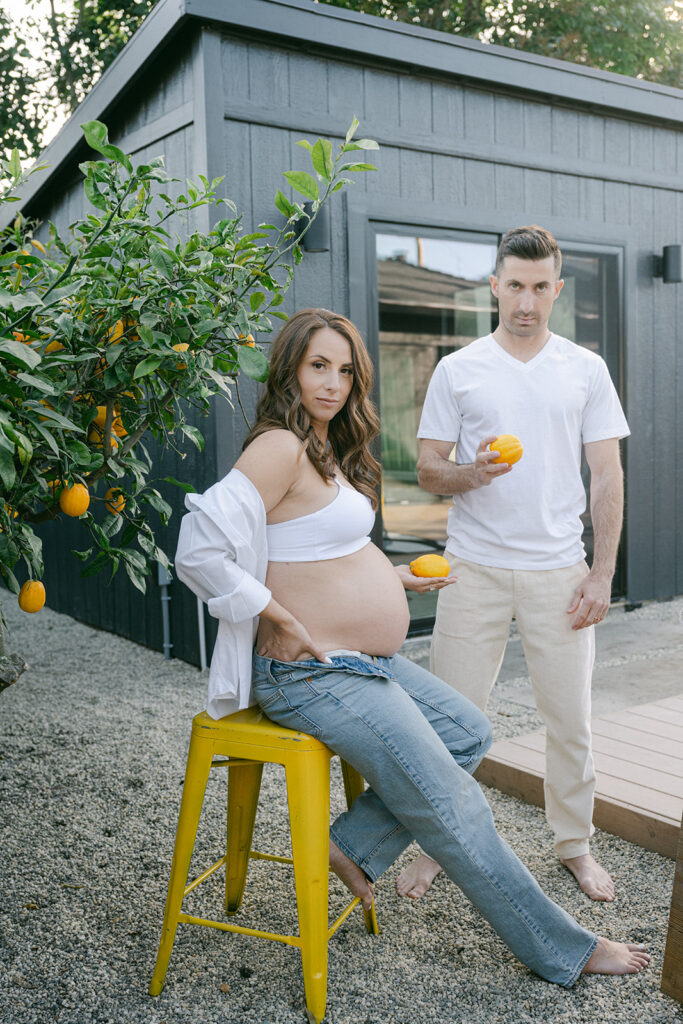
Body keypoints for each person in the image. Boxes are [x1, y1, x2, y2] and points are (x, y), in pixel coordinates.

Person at [175, 307, 648, 986]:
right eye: (317, 367)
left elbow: (313, 552)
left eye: (344, 371)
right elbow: (199, 547)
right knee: (455, 802)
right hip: (308, 673)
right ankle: (564, 948)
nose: (332, 384)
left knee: (467, 730)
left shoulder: (323, 447)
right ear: (289, 369)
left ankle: (351, 846)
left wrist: (385, 579)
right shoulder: (279, 445)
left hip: (359, 661)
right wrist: (271, 611)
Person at [397, 225, 629, 905]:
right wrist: (470, 474)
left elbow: (606, 476)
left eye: (538, 288)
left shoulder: (584, 370)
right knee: (453, 721)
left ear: (555, 290)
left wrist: (601, 573)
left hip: (560, 570)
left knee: (570, 720)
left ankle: (573, 847)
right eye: (514, 286)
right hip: (473, 570)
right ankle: (442, 846)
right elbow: (429, 469)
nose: (525, 302)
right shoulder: (458, 368)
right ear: (493, 285)